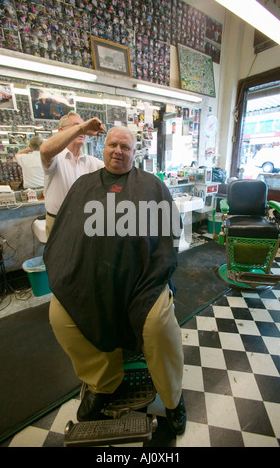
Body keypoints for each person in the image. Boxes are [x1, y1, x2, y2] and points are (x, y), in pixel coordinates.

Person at [43, 126, 186, 436]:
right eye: (112, 145)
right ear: (103, 147)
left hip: (143, 281)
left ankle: (173, 398)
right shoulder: (83, 186)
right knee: (60, 315)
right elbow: (67, 237)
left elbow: (168, 240)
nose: (118, 151)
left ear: (135, 153)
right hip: (90, 279)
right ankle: (103, 380)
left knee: (159, 324)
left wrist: (156, 275)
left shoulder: (153, 187)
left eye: (126, 147)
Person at [40, 111, 106, 237]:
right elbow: (45, 150)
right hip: (58, 222)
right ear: (61, 130)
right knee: (58, 257)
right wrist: (81, 128)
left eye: (83, 127)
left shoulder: (92, 162)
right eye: (75, 126)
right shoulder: (55, 159)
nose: (83, 131)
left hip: (85, 223)